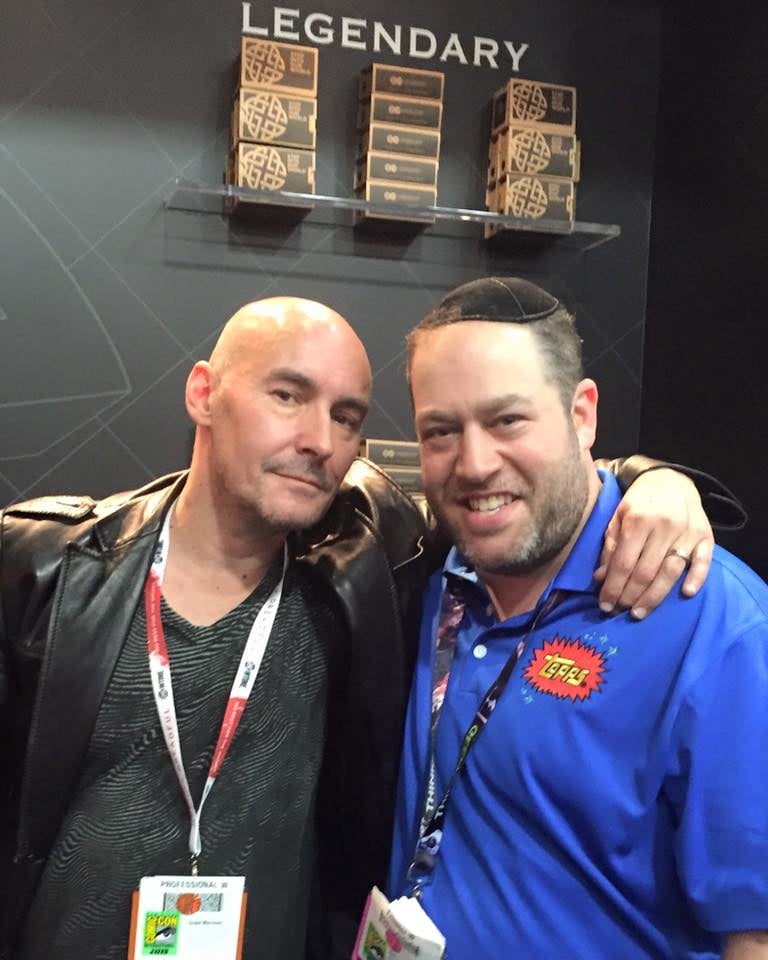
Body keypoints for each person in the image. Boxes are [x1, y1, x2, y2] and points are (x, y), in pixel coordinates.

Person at [0, 295, 733, 960]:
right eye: (287, 395)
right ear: (204, 393)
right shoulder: (40, 571)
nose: (319, 439)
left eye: (347, 416)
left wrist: (653, 479)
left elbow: (522, 491)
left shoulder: (372, 565)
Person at [387, 277, 768, 960]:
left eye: (508, 420)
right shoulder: (433, 576)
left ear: (583, 414)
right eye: (441, 431)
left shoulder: (713, 620)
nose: (474, 464)